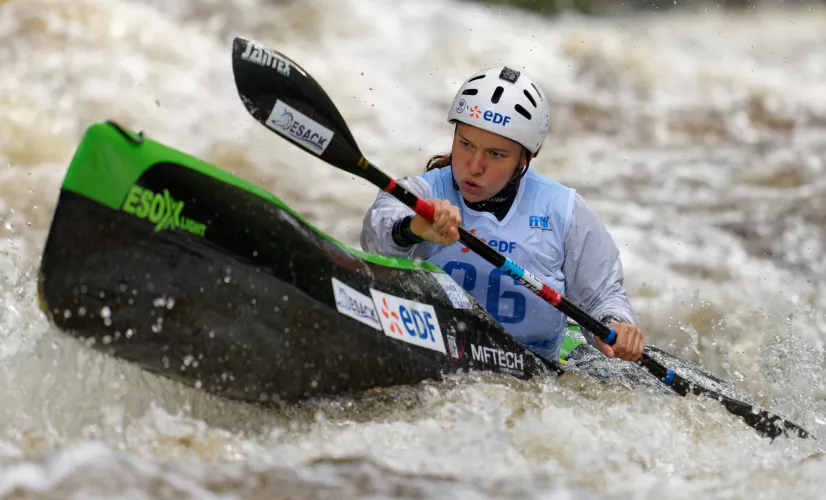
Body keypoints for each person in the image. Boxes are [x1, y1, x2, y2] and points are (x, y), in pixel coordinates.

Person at [360, 66, 644, 363]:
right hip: (426, 355)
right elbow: (375, 238)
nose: (474, 166)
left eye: (495, 154)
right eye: (466, 144)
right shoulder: (419, 194)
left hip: (533, 373)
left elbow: (602, 297)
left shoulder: (563, 210)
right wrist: (412, 228)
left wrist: (616, 324)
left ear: (525, 158)